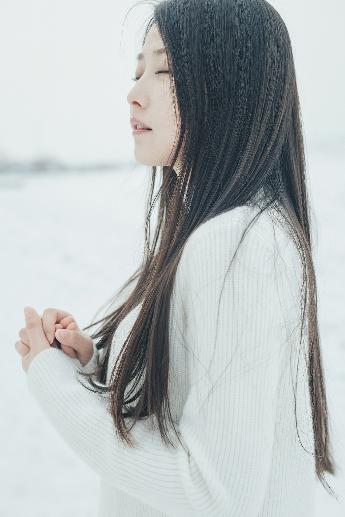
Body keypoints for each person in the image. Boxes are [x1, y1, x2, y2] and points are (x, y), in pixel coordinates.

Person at [15, 1, 337, 515]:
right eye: (138, 69)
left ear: (228, 86)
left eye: (164, 69)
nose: (134, 92)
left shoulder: (236, 244)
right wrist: (95, 365)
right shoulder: (223, 232)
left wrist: (53, 386)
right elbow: (189, 409)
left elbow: (215, 495)